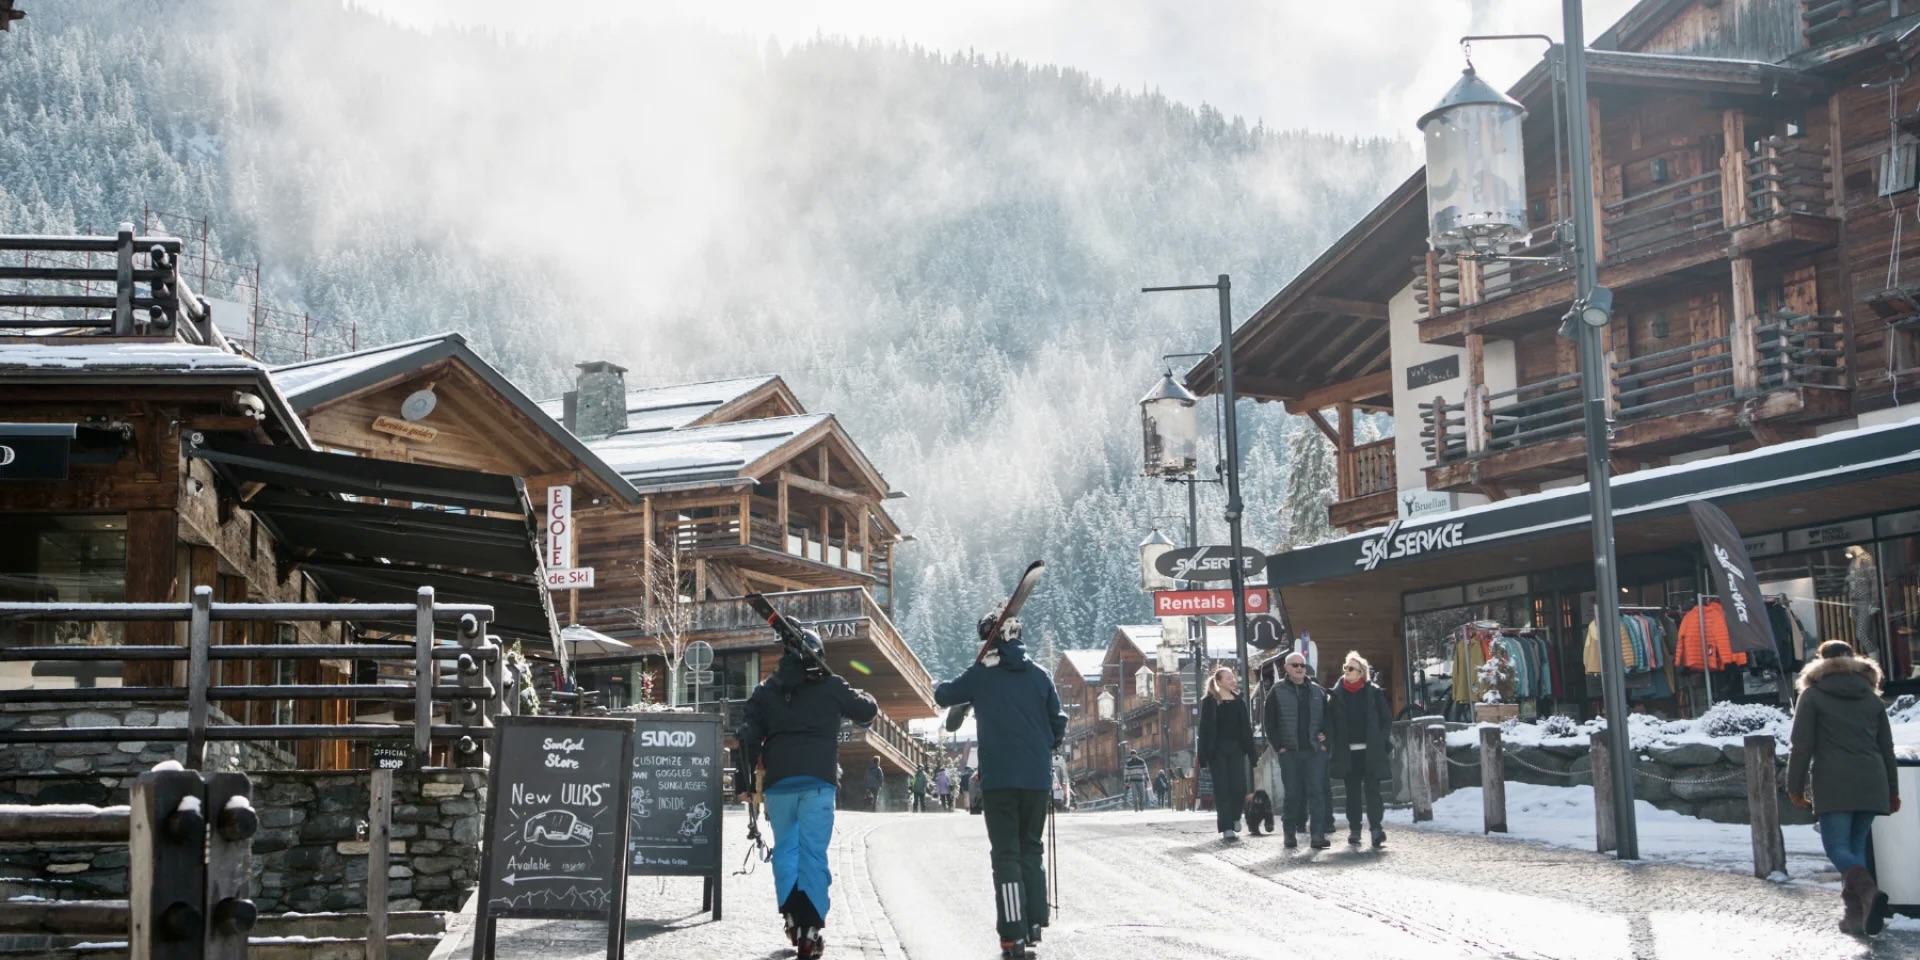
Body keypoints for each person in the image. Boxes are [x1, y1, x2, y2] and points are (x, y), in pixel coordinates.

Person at [736, 625, 879, 960]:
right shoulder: (832, 686)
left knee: (787, 850)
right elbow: (866, 711)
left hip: (780, 785)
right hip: (818, 782)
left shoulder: (766, 690)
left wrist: (744, 785)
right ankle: (811, 928)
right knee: (813, 853)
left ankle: (791, 915)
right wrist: (864, 694)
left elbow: (747, 734)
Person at [933, 608, 1067, 958]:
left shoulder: (980, 676)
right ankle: (1035, 922)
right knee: (1031, 848)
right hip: (1036, 779)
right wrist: (1045, 746)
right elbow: (1058, 723)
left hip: (998, 779)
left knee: (1006, 853)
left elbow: (943, 696)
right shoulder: (1040, 676)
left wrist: (967, 678)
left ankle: (1013, 933)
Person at [1788, 640, 1900, 936]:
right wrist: (1893, 790)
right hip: (1872, 779)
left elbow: (1801, 747)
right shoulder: (1872, 697)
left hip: (1832, 781)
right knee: (1855, 846)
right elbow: (1886, 748)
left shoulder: (1812, 695)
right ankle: (1857, 916)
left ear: (1820, 661)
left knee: (1836, 847)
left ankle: (1868, 893)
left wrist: (1794, 788)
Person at [1264, 651, 1332, 849]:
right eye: (1295, 665)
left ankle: (1318, 835)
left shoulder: (1318, 692)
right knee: (1293, 794)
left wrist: (1325, 739)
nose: (1299, 668)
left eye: (1302, 665)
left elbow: (1329, 720)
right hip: (1290, 753)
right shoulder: (1276, 692)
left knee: (1317, 793)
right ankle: (1289, 833)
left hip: (1314, 752)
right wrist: (1280, 747)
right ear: (1286, 668)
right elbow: (1270, 723)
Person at [1326, 651, 1391, 849]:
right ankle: (1355, 830)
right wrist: (1328, 739)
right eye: (1346, 668)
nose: (1347, 671)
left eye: (1351, 668)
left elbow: (1385, 719)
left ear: (1361, 673)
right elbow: (1329, 721)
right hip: (1348, 753)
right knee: (1352, 793)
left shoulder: (1374, 692)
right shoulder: (1336, 695)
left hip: (1370, 752)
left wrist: (1380, 739)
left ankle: (1376, 830)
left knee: (1373, 792)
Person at [1197, 665, 1258, 842]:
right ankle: (1226, 827)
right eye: (1229, 678)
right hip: (1217, 753)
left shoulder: (1239, 702)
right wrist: (1203, 756)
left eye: (1233, 677)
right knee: (1222, 790)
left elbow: (1246, 729)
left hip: (1236, 751)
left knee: (1239, 788)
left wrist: (1252, 754)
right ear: (1219, 681)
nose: (1233, 680)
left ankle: (1235, 816)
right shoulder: (1209, 702)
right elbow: (1204, 730)